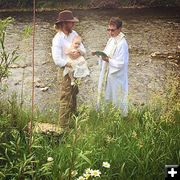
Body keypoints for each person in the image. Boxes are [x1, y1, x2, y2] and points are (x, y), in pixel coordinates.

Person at [51, 10, 86, 129]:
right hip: (65, 73)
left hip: (75, 71)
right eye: (71, 22)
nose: (73, 24)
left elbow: (83, 49)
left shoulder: (74, 33)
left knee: (74, 96)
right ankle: (62, 128)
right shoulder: (57, 39)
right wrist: (70, 63)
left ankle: (72, 124)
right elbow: (57, 60)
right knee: (65, 99)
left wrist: (79, 53)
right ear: (64, 23)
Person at [94, 17, 129, 116]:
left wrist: (108, 60)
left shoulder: (122, 43)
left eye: (112, 30)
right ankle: (106, 114)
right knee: (106, 95)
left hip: (117, 76)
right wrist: (101, 55)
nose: (110, 32)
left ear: (119, 29)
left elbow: (122, 63)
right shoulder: (111, 40)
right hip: (107, 73)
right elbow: (106, 53)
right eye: (108, 30)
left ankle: (119, 116)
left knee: (117, 96)